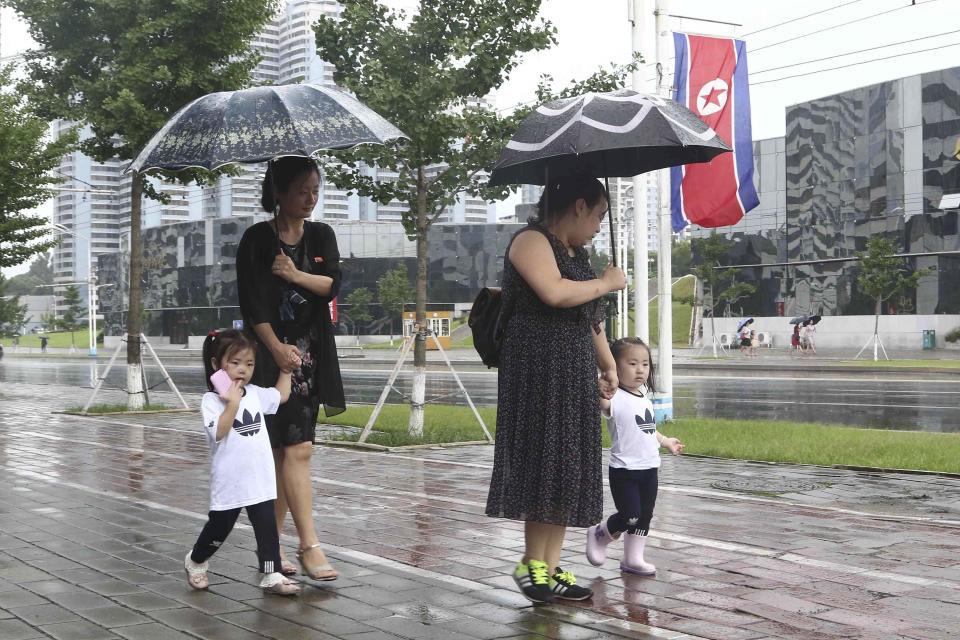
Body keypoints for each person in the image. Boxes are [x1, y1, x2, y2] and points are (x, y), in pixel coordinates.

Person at [485, 172, 627, 605]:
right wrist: (607, 283)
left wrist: (607, 365)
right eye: (598, 214)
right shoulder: (531, 241)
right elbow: (554, 292)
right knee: (543, 461)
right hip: (537, 368)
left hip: (573, 367)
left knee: (566, 468)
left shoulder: (577, 254)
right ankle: (532, 565)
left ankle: (547, 565)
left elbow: (589, 318)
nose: (600, 225)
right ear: (579, 206)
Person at [236, 156, 344, 581]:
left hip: (310, 355)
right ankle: (292, 548)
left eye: (315, 189)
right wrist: (275, 348)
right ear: (277, 193)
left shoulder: (321, 234)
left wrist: (295, 273)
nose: (310, 198)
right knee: (279, 453)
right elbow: (252, 303)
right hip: (268, 355)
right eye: (301, 190)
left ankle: (292, 548)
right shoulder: (256, 240)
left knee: (297, 450)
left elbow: (331, 285)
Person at [185, 329, 300, 595]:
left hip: (259, 478)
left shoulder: (256, 394)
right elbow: (218, 432)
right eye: (234, 363)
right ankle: (196, 560)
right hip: (230, 481)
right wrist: (232, 404)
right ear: (216, 365)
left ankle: (272, 574)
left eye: (249, 364)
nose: (242, 370)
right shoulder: (211, 401)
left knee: (267, 526)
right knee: (219, 528)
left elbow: (280, 396)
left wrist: (286, 371)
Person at [585, 337, 683, 575]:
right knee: (630, 515)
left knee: (645, 516)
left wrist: (665, 441)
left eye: (645, 364)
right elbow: (594, 399)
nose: (640, 370)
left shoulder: (645, 399)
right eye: (632, 364)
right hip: (624, 469)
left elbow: (648, 428)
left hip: (650, 468)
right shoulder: (613, 398)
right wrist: (599, 381)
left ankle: (633, 558)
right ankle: (600, 533)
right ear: (615, 368)